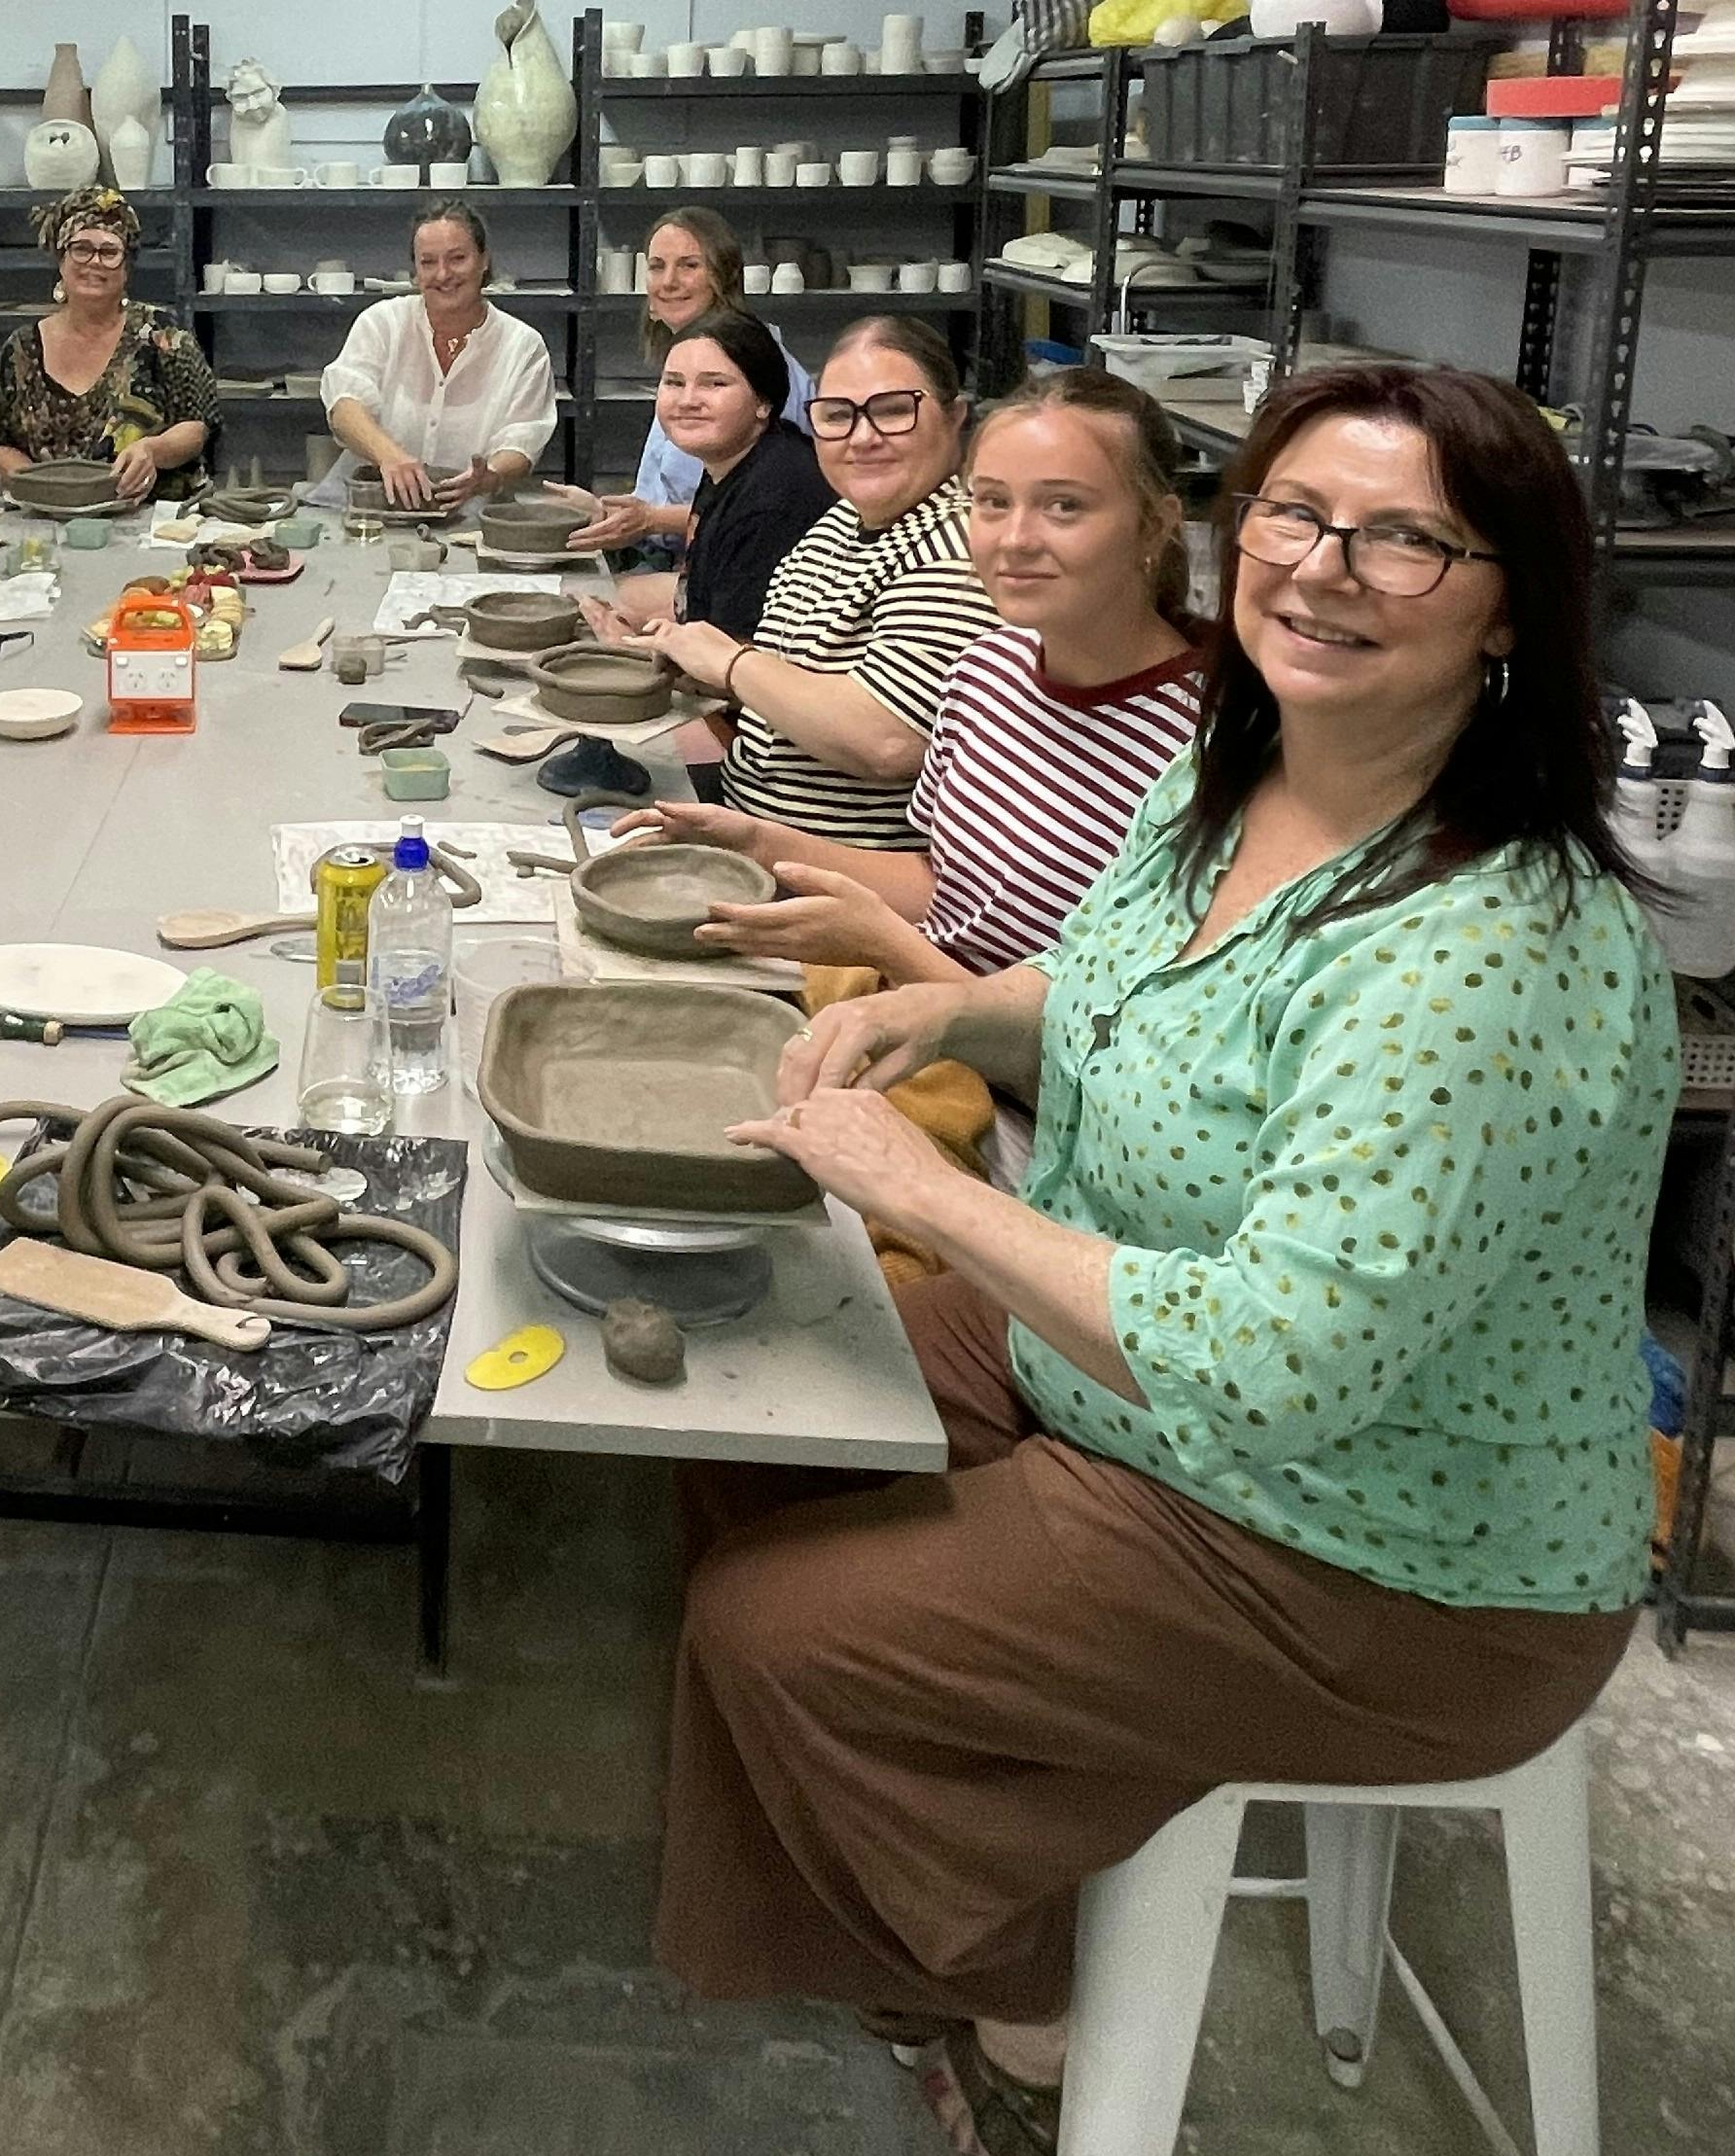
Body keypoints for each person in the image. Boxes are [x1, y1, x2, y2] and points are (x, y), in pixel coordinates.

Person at [656, 365, 1673, 2150]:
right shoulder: (1239, 770)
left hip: (1375, 1543)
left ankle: (1021, 2018)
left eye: (1406, 540)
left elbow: (1269, 1366)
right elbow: (1105, 984)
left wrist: (921, 1184)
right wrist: (950, 1002)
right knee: (753, 1394)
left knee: (773, 1633)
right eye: (1292, 513)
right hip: (1137, 1378)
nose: (1324, 568)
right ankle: (988, 1838)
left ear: (1508, 598)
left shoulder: (1483, 944)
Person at [616, 369, 1202, 986]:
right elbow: (945, 889)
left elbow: (1117, 1039)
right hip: (914, 1014)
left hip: (1009, 1068)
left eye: (1065, 506)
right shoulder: (990, 667)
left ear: (1155, 523)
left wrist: (891, 954)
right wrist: (758, 844)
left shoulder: (1205, 746)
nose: (1016, 540)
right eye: (994, 502)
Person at [637, 315, 1001, 847]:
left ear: (955, 417)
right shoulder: (839, 523)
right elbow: (790, 683)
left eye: (894, 411)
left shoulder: (959, 544)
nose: (863, 437)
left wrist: (732, 664)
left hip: (834, 874)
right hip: (750, 825)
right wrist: (695, 669)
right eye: (837, 416)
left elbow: (886, 740)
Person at [558, 207, 816, 570]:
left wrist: (651, 520)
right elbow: (666, 495)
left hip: (735, 567)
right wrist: (606, 509)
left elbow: (768, 509)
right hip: (673, 555)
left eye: (689, 265)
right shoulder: (686, 360)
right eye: (657, 266)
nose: (669, 282)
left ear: (724, 276)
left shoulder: (763, 370)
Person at [576, 310, 832, 649]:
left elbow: (738, 662)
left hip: (770, 672)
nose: (688, 401)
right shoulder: (732, 460)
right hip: (735, 633)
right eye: (674, 383)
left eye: (715, 384)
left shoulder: (774, 498)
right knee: (617, 598)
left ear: (763, 402)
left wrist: (629, 649)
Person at [317, 199, 556, 511]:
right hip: (367, 510)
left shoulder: (523, 347)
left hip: (464, 514)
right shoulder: (383, 322)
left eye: (457, 258)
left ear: (484, 260)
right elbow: (344, 404)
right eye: (428, 262)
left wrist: (491, 476)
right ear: (415, 271)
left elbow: (523, 439)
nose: (443, 274)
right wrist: (389, 456)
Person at [0, 187, 216, 504]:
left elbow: (197, 427)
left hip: (150, 518)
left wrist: (151, 450)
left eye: (109, 253)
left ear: (126, 269)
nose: (94, 262)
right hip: (46, 515)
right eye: (81, 249)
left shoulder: (162, 336)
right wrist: (43, 487)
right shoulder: (20, 350)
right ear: (61, 261)